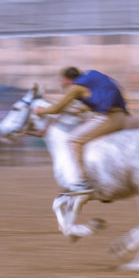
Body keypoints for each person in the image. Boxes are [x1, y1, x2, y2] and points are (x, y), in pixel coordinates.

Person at [33, 66, 129, 195]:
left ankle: (83, 181)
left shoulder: (75, 88)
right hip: (121, 117)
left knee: (73, 140)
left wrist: (41, 111)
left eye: (62, 80)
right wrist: (81, 110)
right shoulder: (88, 83)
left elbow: (57, 108)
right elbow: (97, 101)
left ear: (67, 79)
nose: (61, 83)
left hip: (109, 118)